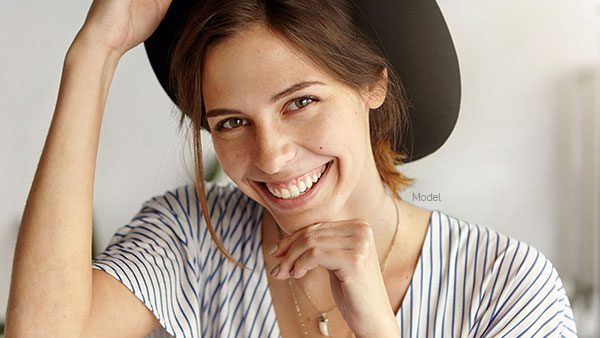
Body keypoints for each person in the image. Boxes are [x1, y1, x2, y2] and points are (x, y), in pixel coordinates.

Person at [5, 0, 578, 337]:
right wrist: (94, 53)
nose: (272, 156)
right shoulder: (194, 239)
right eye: (231, 122)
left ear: (374, 82)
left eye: (300, 102)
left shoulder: (506, 288)